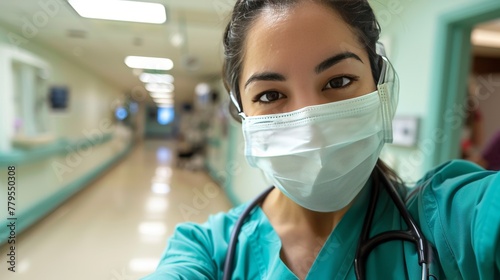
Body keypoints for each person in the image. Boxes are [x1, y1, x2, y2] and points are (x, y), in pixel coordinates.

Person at [143, 0, 500, 279]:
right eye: (270, 95)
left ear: (381, 88)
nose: (310, 125)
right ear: (242, 115)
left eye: (338, 81)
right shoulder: (208, 251)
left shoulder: (452, 221)